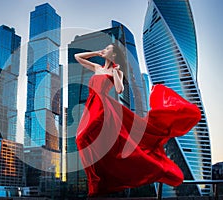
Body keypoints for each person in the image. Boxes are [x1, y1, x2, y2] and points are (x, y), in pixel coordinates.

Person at [74, 43, 201, 197]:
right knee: (81, 140)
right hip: (90, 104)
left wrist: (115, 72)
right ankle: (97, 180)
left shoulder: (116, 71)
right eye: (105, 48)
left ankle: (96, 181)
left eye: (107, 49)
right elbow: (77, 57)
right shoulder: (97, 67)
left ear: (113, 55)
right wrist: (96, 52)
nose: (104, 50)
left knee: (82, 137)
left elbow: (119, 89)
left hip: (102, 106)